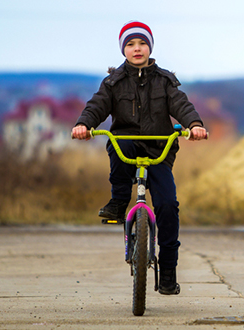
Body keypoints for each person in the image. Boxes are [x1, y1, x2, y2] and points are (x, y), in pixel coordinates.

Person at [71, 21, 207, 295]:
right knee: (119, 144)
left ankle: (168, 272)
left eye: (142, 43)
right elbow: (96, 105)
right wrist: (83, 124)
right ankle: (119, 201)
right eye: (131, 44)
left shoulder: (165, 80)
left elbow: (182, 104)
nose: (137, 49)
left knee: (168, 205)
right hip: (127, 144)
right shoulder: (113, 82)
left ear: (150, 47)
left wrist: (194, 125)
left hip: (159, 148)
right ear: (123, 49)